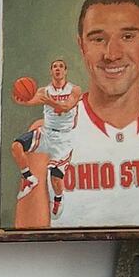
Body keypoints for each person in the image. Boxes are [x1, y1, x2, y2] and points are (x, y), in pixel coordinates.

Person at [16, 0, 139, 228]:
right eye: (98, 39)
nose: (111, 54)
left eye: (128, 36)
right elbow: (29, 250)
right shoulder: (46, 135)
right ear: (81, 45)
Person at [10, 59, 83, 206]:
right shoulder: (44, 91)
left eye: (61, 66)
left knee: (55, 179)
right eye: (54, 66)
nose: (58, 69)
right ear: (51, 71)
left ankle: (58, 199)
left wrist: (49, 101)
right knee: (16, 146)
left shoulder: (74, 90)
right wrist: (21, 98)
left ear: (65, 71)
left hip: (64, 138)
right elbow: (30, 100)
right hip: (46, 133)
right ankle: (29, 179)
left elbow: (66, 107)